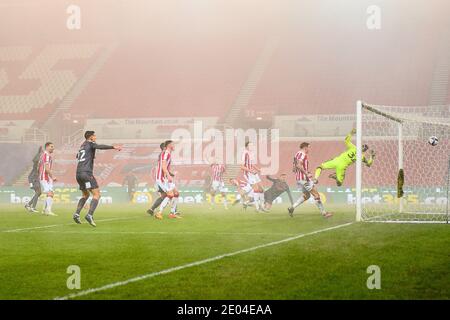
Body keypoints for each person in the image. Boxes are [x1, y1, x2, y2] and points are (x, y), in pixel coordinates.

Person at [73, 131, 122, 227]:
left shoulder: (82, 146)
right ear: (90, 137)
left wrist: (90, 155)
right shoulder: (90, 144)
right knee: (97, 195)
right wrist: (113, 147)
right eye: (94, 136)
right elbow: (99, 147)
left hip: (78, 174)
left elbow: (77, 156)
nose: (95, 137)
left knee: (85, 195)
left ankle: (77, 213)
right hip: (87, 173)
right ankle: (89, 215)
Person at [288, 142, 332, 218]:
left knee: (307, 195)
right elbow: (298, 165)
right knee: (316, 195)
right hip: (304, 179)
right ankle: (324, 213)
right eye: (308, 147)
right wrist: (306, 174)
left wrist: (306, 173)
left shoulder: (296, 154)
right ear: (305, 147)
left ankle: (292, 208)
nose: (309, 149)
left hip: (299, 179)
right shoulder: (302, 154)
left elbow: (294, 168)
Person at [154, 140, 181, 219]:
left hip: (165, 177)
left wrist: (169, 174)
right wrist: (168, 175)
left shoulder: (168, 154)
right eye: (173, 144)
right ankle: (159, 213)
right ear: (169, 145)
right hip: (161, 178)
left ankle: (172, 213)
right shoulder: (166, 153)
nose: (174, 146)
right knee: (170, 194)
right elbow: (163, 166)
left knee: (176, 193)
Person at [241, 141, 264, 211]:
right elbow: (241, 166)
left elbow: (252, 164)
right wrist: (250, 171)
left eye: (252, 145)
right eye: (250, 145)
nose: (251, 146)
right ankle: (258, 208)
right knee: (256, 189)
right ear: (246, 146)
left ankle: (247, 202)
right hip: (248, 173)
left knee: (261, 189)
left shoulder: (251, 154)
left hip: (254, 173)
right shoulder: (245, 153)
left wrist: (258, 169)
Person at [38, 142, 57, 216]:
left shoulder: (44, 155)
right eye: (51, 146)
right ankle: (48, 210)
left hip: (46, 177)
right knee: (50, 193)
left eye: (53, 146)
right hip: (45, 177)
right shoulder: (46, 155)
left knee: (50, 193)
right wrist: (52, 176)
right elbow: (47, 168)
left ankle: (44, 210)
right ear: (47, 147)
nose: (53, 148)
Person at [25, 146, 43, 213]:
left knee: (39, 192)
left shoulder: (41, 163)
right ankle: (33, 207)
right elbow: (34, 160)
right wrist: (39, 152)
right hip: (34, 177)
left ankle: (28, 205)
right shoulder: (37, 162)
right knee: (38, 192)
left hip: (35, 177)